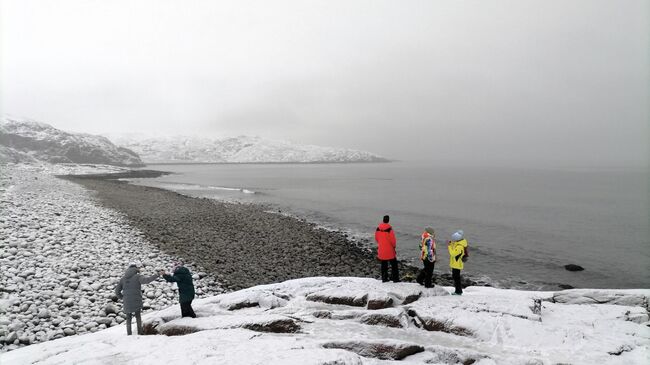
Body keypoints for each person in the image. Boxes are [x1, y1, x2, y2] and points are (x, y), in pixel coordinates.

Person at [115, 261, 159, 335]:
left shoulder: (123, 279)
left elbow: (117, 291)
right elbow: (147, 280)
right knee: (138, 316)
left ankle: (129, 334)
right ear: (136, 268)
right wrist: (157, 275)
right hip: (136, 299)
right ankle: (140, 332)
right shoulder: (138, 276)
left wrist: (122, 297)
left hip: (127, 301)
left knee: (128, 318)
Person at [374, 215, 399, 282]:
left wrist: (381, 243)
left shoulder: (378, 228)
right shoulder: (389, 229)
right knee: (394, 265)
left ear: (383, 220)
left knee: (384, 265)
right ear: (388, 220)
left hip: (381, 249)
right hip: (389, 250)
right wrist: (394, 246)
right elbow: (393, 241)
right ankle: (395, 279)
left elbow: (376, 238)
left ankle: (384, 278)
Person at [448, 230, 468, 295]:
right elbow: (455, 249)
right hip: (456, 264)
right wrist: (451, 244)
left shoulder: (459, 246)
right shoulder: (459, 244)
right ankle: (458, 291)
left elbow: (453, 254)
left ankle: (458, 291)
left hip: (457, 264)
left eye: (454, 239)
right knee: (456, 277)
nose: (453, 240)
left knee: (456, 278)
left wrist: (449, 247)